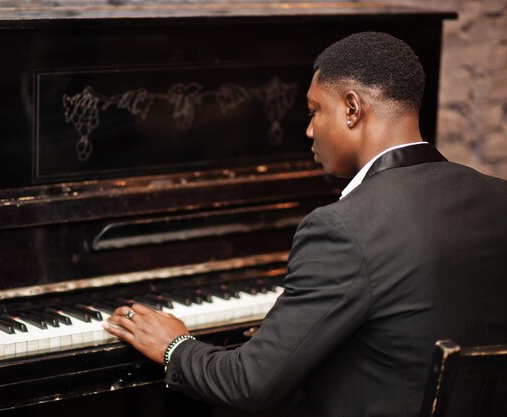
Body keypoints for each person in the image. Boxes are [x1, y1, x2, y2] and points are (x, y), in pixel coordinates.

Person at [103, 32, 507, 416]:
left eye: (315, 110)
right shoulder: (498, 195)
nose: (309, 129)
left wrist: (176, 345)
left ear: (352, 108)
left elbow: (250, 384)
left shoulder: (345, 227)